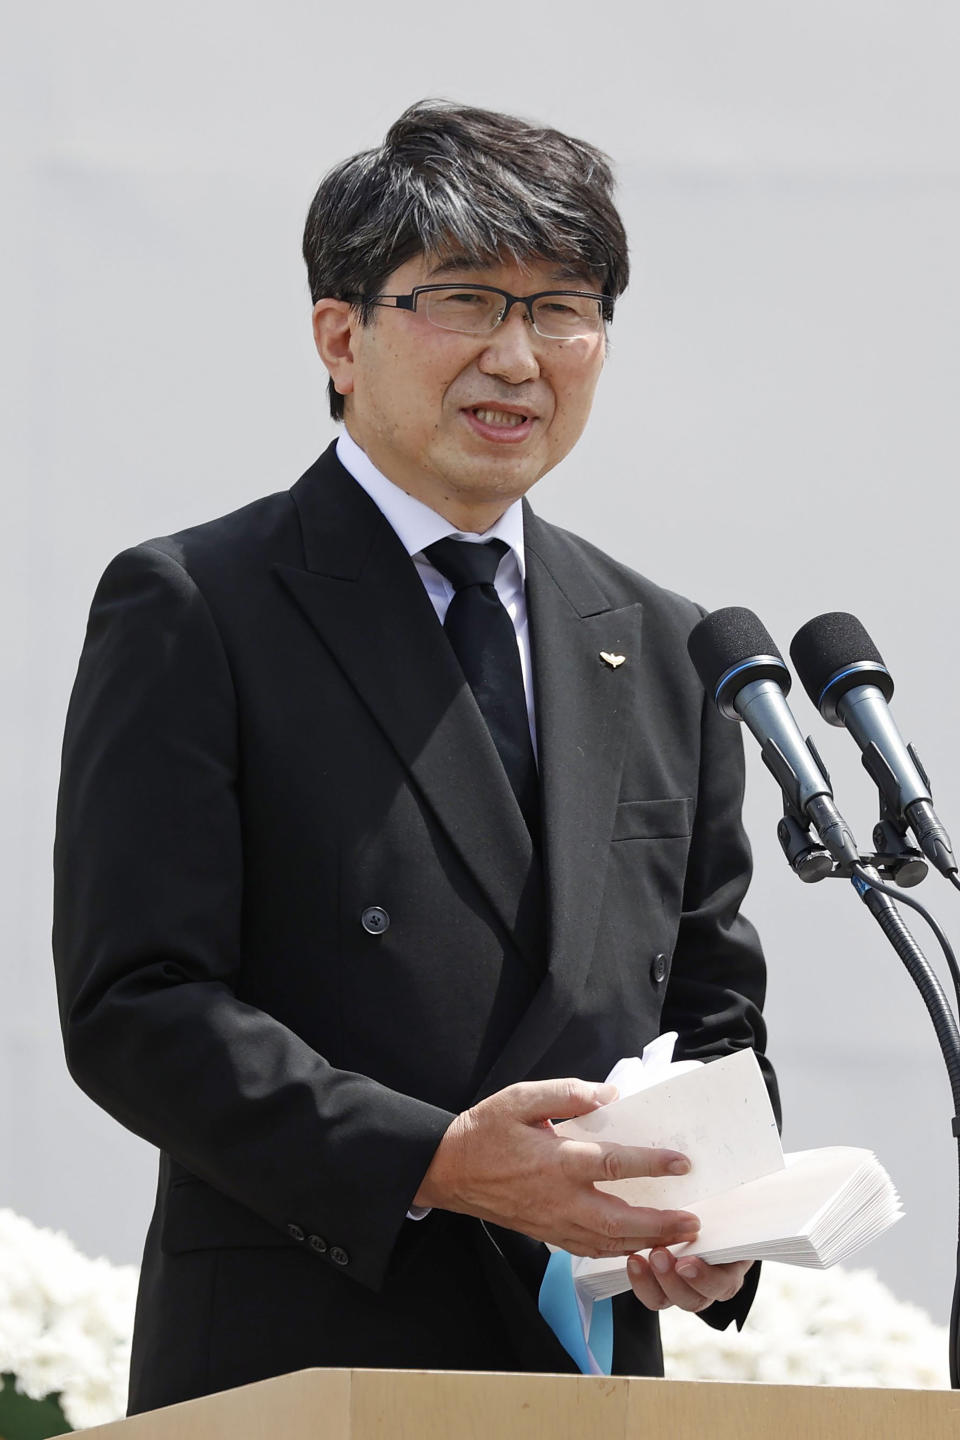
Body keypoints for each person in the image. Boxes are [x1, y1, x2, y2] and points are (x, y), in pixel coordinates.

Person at [53, 99, 779, 1414]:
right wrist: (434, 1160)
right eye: (465, 301)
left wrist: (713, 1217)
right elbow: (136, 1005)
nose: (519, 356)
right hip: (303, 1358)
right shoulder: (203, 605)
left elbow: (710, 1009)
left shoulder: (670, 646)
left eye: (564, 307)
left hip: (593, 1372)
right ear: (341, 332)